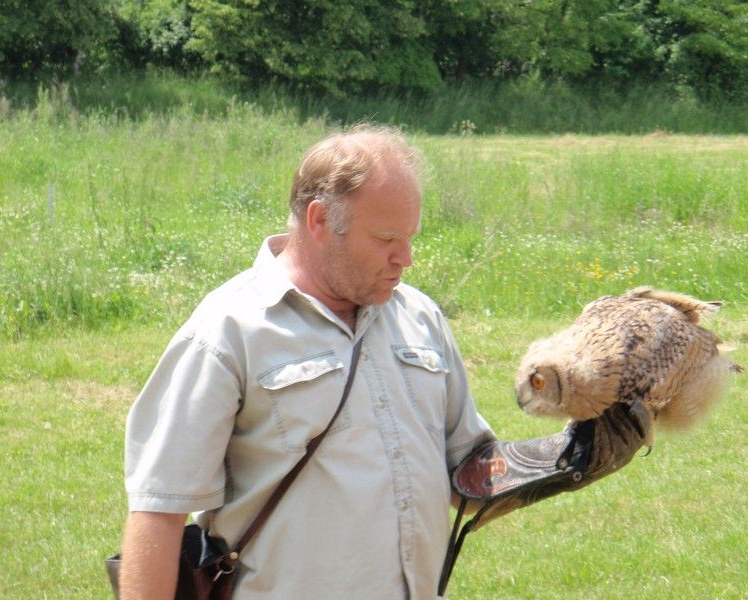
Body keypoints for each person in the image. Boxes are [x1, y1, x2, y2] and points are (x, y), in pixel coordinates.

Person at [119, 125, 647, 599]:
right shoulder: (228, 331)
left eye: (411, 237)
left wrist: (568, 455)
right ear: (320, 220)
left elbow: (467, 473)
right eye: (387, 239)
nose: (406, 258)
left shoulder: (420, 317)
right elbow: (159, 511)